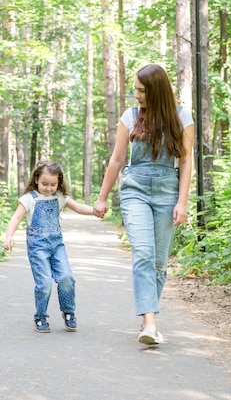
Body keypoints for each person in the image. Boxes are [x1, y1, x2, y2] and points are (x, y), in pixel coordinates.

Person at [93, 64, 194, 345]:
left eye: (140, 90)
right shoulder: (130, 116)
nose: (135, 95)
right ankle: (150, 321)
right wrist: (102, 197)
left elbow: (185, 162)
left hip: (167, 191)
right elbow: (117, 159)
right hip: (135, 189)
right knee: (143, 253)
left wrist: (182, 202)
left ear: (156, 91)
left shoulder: (182, 117)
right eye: (135, 89)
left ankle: (147, 317)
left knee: (159, 263)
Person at [4, 160, 99, 333]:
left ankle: (68, 311)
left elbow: (78, 207)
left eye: (53, 184)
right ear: (36, 180)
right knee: (45, 283)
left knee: (67, 278)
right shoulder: (28, 199)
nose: (48, 188)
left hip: (57, 246)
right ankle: (40, 316)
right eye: (44, 184)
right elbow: (16, 218)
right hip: (37, 247)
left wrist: (94, 210)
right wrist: (9, 235)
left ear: (59, 182)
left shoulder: (59, 197)